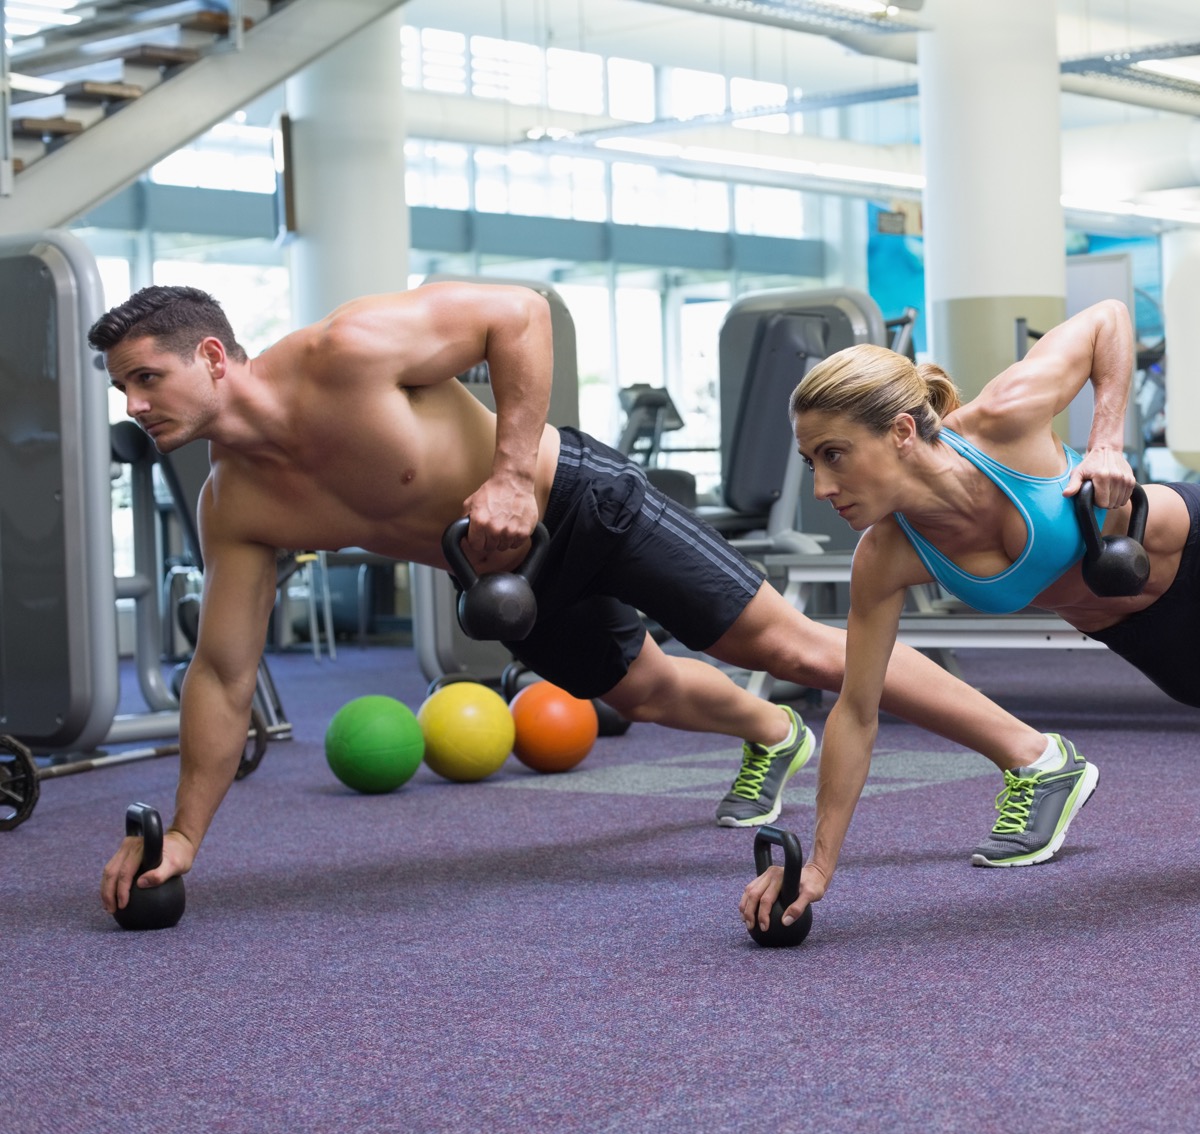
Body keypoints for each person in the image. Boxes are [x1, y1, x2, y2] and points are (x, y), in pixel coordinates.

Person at [91, 282, 1094, 919]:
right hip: (500, 575)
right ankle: (768, 738)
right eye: (124, 389)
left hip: (581, 501)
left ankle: (1038, 757)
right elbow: (224, 675)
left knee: (800, 650)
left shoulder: (345, 354)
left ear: (211, 357)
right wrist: (183, 835)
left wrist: (515, 473)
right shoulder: (238, 506)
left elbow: (517, 313)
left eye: (147, 377)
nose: (136, 405)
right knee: (645, 690)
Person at [741, 297, 1195, 936]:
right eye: (812, 462)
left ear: (901, 431)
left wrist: (1106, 441)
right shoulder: (887, 556)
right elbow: (857, 710)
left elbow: (1109, 319)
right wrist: (818, 865)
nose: (821, 487)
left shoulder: (1004, 421)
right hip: (1149, 639)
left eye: (834, 455)